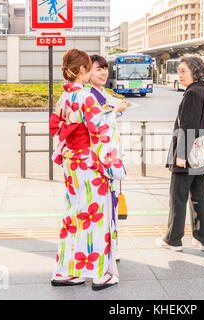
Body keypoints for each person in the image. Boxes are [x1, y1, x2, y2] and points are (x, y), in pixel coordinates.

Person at [49, 49, 127, 290]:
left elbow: (63, 129)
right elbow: (102, 130)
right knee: (97, 217)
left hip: (72, 162)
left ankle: (66, 271)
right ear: (82, 70)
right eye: (89, 67)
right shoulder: (85, 97)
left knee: (74, 216)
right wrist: (113, 166)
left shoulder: (65, 97)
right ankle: (101, 274)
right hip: (90, 166)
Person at [157, 56, 204, 252]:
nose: (180, 75)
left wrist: (181, 155)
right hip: (201, 152)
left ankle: (173, 239)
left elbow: (187, 127)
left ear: (195, 71)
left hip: (189, 154)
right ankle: (203, 239)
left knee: (178, 197)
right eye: (180, 71)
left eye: (184, 71)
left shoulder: (192, 94)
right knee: (199, 196)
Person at [86, 54, 128, 261]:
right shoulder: (88, 95)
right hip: (96, 160)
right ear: (86, 72)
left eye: (104, 68)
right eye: (97, 69)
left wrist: (116, 111)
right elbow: (95, 126)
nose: (103, 72)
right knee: (98, 206)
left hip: (108, 158)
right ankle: (101, 248)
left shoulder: (102, 94)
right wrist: (115, 112)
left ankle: (110, 246)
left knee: (109, 203)